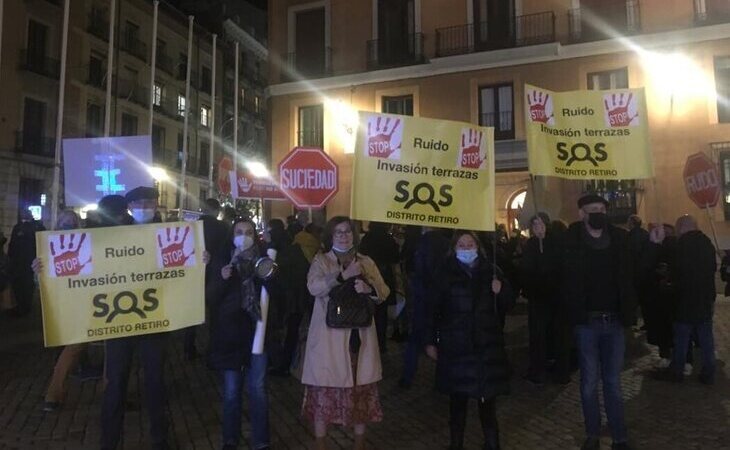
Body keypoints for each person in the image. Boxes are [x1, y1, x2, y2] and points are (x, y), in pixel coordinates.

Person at [301, 216, 389, 450]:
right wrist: (341, 277)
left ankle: (359, 444)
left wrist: (368, 288)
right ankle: (321, 444)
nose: (344, 235)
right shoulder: (321, 261)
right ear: (330, 236)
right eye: (338, 232)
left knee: (360, 391)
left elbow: (384, 292)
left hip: (359, 337)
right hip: (329, 339)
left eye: (348, 231)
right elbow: (313, 287)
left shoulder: (366, 261)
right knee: (325, 393)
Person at [424, 230, 515, 450]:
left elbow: (508, 304)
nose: (466, 248)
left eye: (470, 244)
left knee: (487, 402)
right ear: (454, 248)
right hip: (456, 346)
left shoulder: (492, 272)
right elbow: (431, 309)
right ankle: (456, 444)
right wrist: (429, 341)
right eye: (462, 245)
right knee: (458, 402)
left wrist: (501, 291)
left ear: (478, 246)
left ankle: (492, 444)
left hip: (486, 346)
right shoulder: (444, 273)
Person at [562, 194, 635, 450]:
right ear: (582, 213)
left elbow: (636, 271)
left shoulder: (620, 239)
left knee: (613, 382)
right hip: (586, 323)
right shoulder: (570, 240)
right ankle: (592, 434)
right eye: (593, 210)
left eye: (602, 209)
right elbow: (558, 272)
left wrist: (654, 246)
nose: (598, 213)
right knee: (589, 382)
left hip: (614, 321)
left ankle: (619, 437)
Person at [101, 186, 170, 450]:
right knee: (116, 383)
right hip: (120, 321)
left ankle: (159, 439)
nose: (145, 207)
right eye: (140, 203)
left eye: (150, 202)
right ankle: (109, 441)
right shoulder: (112, 236)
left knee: (155, 381)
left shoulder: (172, 234)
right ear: (130, 207)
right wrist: (43, 266)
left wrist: (201, 259)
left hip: (155, 320)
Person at [207, 218, 271, 450]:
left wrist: (270, 278)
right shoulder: (222, 260)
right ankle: (230, 439)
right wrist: (222, 279)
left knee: (257, 389)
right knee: (232, 392)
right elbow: (210, 299)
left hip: (258, 333)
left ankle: (261, 441)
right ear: (232, 234)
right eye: (239, 231)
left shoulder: (265, 261)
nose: (244, 236)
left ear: (255, 236)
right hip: (230, 334)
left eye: (249, 232)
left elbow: (277, 296)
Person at [649, 215, 717, 384]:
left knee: (681, 339)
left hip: (684, 300)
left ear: (681, 228)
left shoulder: (680, 246)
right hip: (703, 299)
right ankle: (709, 372)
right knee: (706, 340)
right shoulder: (707, 243)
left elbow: (675, 272)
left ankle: (677, 371)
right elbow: (711, 269)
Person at [521, 213, 570, 385]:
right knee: (538, 336)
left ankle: (562, 371)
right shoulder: (530, 245)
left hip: (556, 297)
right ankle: (538, 370)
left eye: (540, 224)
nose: (538, 228)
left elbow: (564, 267)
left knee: (559, 334)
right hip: (538, 298)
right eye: (534, 225)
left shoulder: (556, 243)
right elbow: (525, 271)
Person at [399, 226, 450, 388]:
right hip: (441, 296)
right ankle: (442, 377)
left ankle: (408, 376)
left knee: (415, 338)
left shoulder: (418, 242)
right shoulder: (446, 243)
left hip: (422, 296)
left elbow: (414, 268)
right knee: (442, 336)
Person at [264, 218, 312, 377]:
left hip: (287, 300)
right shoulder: (296, 249)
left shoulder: (279, 254)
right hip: (298, 298)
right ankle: (285, 363)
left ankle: (282, 364)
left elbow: (273, 276)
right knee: (291, 332)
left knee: (284, 333)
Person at [359, 222, 400, 354]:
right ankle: (380, 344)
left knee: (368, 310)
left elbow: (361, 255)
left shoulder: (367, 238)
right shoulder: (389, 239)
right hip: (385, 275)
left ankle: (367, 343)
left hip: (368, 276)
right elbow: (395, 258)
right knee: (382, 312)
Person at [7, 208, 45, 316]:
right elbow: (12, 245)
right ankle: (21, 306)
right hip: (19, 262)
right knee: (19, 285)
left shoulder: (36, 226)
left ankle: (25, 307)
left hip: (29, 262)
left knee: (27, 285)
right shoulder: (18, 227)